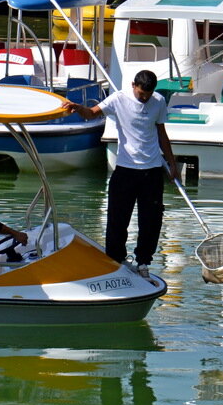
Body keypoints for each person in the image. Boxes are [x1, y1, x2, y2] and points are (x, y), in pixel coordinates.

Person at [64, 69, 178, 278]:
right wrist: (78, 108)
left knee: (151, 221)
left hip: (152, 170)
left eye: (148, 95)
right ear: (134, 85)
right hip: (126, 169)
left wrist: (172, 162)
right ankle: (116, 261)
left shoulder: (159, 101)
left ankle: (143, 262)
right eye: (141, 94)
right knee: (117, 219)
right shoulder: (118, 99)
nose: (144, 99)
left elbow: (162, 133)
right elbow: (92, 113)